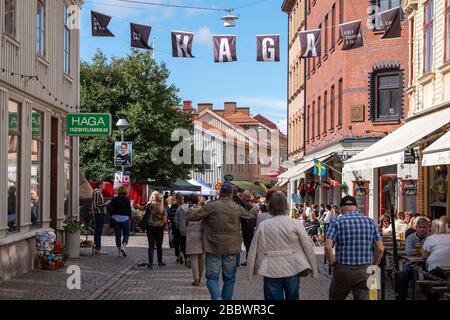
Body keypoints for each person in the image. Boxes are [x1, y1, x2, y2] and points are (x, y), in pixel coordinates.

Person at [186, 183, 258, 300]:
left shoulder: (211, 206)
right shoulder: (236, 207)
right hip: (231, 248)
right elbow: (249, 216)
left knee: (212, 278)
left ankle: (217, 298)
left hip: (213, 247)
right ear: (231, 194)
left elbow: (193, 217)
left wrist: (190, 210)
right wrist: (254, 210)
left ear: (220, 192)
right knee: (229, 279)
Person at [247, 192, 318, 300]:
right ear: (286, 206)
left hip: (270, 269)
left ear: (270, 206)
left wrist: (252, 270)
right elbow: (307, 245)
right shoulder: (295, 223)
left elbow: (255, 249)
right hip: (293, 267)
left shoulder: (264, 225)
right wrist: (314, 268)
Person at [325, 196, 384, 300]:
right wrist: (374, 265)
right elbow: (380, 249)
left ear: (341, 208)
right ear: (356, 207)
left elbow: (328, 247)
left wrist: (331, 264)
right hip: (365, 269)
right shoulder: (370, 221)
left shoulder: (336, 222)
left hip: (343, 269)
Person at [398, 217, 430, 300]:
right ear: (416, 228)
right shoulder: (411, 237)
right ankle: (402, 297)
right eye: (420, 227)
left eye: (424, 227)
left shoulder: (431, 237)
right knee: (404, 273)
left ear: (428, 228)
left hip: (428, 262)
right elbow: (408, 252)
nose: (422, 229)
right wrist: (423, 250)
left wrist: (417, 251)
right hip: (412, 262)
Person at [422, 218, 450, 300]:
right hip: (448, 271)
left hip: (435, 272)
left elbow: (424, 256)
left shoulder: (430, 238)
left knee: (425, 276)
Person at [141, 192, 168, 268]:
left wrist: (136, 205)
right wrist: (162, 220)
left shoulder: (150, 206)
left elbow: (141, 208)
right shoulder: (163, 208)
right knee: (159, 245)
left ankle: (151, 263)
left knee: (151, 245)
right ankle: (160, 262)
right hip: (159, 228)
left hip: (150, 227)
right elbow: (165, 221)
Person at [185, 194, 204, 286]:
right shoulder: (203, 210)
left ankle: (196, 279)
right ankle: (199, 278)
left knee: (194, 259)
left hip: (192, 235)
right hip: (201, 235)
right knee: (201, 258)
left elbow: (184, 223)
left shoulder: (188, 211)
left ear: (189, 201)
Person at [107, 186, 132, 257]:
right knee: (126, 233)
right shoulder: (127, 200)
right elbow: (129, 210)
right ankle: (124, 247)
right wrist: (130, 218)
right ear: (125, 192)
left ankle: (119, 252)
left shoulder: (114, 199)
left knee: (118, 235)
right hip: (125, 218)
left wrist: (111, 214)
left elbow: (109, 207)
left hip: (116, 218)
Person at [92, 181, 109, 254]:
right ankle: (97, 249)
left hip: (100, 214)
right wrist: (106, 203)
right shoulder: (97, 192)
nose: (104, 185)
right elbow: (96, 205)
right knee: (98, 232)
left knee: (98, 231)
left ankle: (97, 248)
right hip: (98, 214)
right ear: (99, 185)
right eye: (103, 184)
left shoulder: (98, 192)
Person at [175, 194, 189, 267]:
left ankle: (183, 254)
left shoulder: (179, 209)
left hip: (182, 230)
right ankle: (188, 258)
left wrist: (179, 227)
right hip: (191, 230)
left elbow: (176, 221)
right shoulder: (191, 208)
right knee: (189, 244)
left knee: (183, 244)